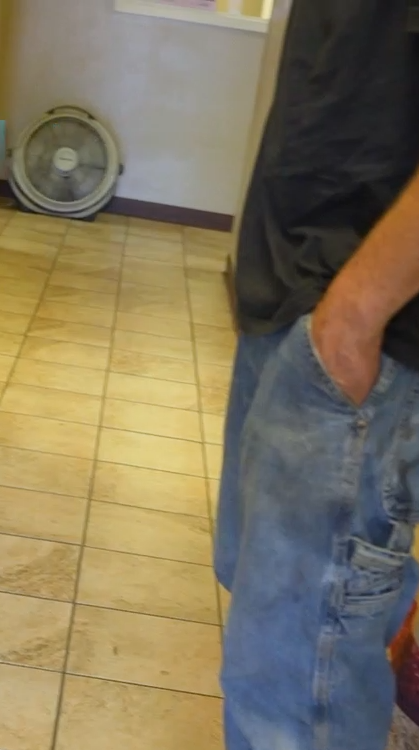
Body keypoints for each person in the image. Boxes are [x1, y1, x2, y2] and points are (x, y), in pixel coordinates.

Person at [217, 3, 419, 749]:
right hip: (297, 308)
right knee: (275, 622)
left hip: (367, 332)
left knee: (296, 680)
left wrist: (355, 318)